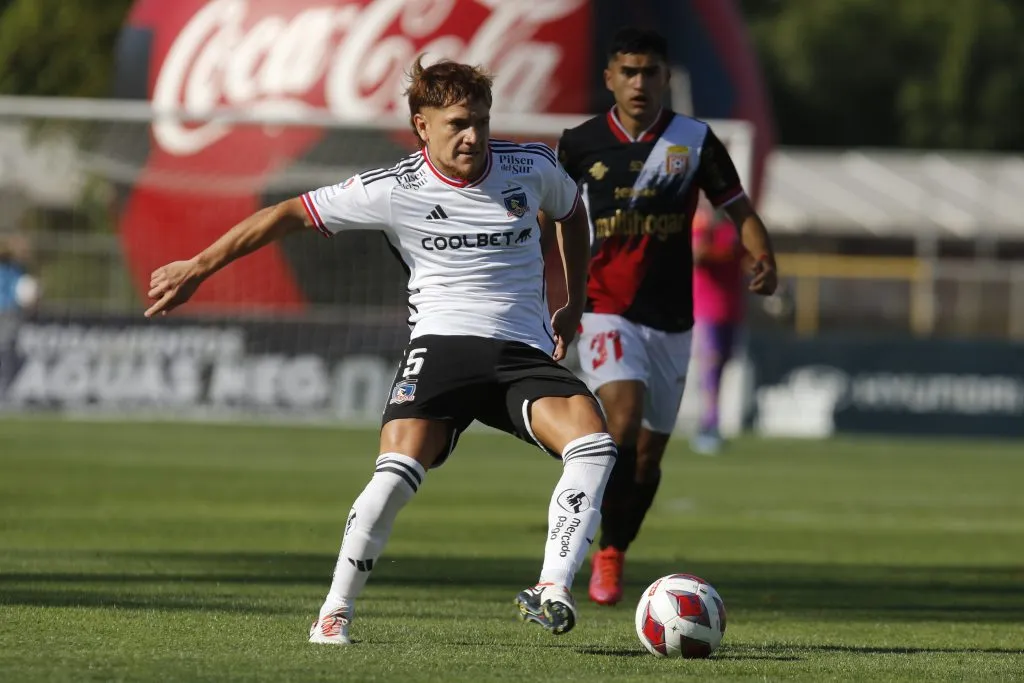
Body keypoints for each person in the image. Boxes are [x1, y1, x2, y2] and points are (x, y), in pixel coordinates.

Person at [144, 57, 617, 644]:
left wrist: (574, 299)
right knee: (395, 474)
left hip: (521, 352)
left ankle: (550, 588)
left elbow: (572, 214)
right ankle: (333, 613)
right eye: (458, 124)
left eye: (482, 122)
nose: (474, 136)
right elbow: (286, 214)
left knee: (594, 445)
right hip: (441, 348)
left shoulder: (533, 166)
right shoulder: (394, 188)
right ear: (422, 126)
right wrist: (198, 266)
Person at [541, 27, 778, 607]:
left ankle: (613, 548)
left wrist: (763, 252)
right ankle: (576, 544)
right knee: (620, 423)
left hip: (673, 317)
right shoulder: (580, 143)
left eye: (649, 72)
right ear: (610, 78)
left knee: (647, 458)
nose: (639, 83)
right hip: (606, 309)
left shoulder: (694, 141)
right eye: (628, 71)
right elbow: (546, 221)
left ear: (665, 77)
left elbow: (737, 207)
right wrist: (548, 293)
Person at [691, 207, 748, 455]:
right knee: (711, 365)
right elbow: (697, 256)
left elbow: (750, 259)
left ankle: (712, 422)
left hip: (732, 310)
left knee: (722, 366)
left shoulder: (735, 229)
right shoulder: (703, 226)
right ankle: (709, 424)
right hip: (707, 309)